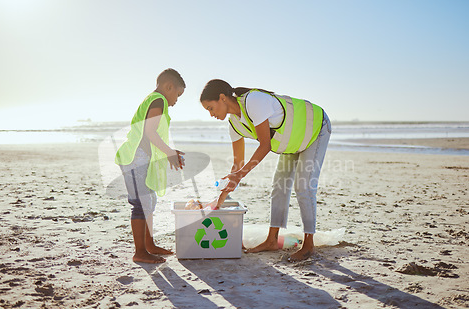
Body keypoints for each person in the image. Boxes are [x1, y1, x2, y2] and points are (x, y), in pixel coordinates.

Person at [200, 79, 331, 261]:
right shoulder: (234, 125)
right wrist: (219, 199)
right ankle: (271, 240)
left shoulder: (253, 101)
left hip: (315, 128)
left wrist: (239, 175)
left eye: (210, 108)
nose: (211, 114)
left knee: (303, 186)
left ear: (222, 98)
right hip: (292, 142)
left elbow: (265, 145)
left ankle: (309, 245)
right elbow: (237, 164)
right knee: (279, 186)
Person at [115, 69, 186, 264]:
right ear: (168, 87)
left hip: (141, 158)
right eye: (177, 95)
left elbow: (153, 136)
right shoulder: (159, 100)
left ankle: (149, 245)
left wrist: (169, 152)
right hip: (134, 157)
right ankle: (140, 251)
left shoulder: (154, 100)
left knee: (149, 201)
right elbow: (150, 132)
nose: (176, 100)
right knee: (140, 203)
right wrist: (169, 152)